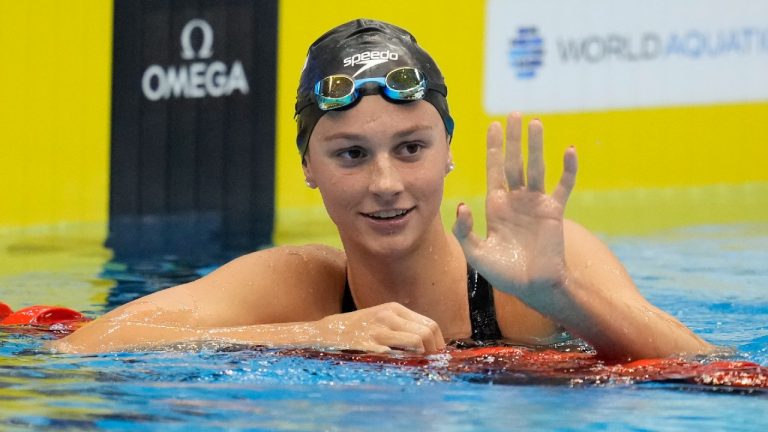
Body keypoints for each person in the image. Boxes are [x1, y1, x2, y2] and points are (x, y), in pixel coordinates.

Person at [51, 19, 714, 360]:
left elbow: (724, 375)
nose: (386, 183)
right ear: (308, 164)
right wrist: (317, 332)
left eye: (412, 148)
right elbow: (79, 349)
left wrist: (563, 296)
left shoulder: (531, 269)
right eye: (350, 154)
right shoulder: (300, 285)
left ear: (449, 152)